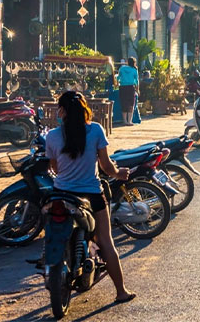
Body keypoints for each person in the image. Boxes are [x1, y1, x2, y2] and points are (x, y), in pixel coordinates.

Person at [45, 91, 136, 304]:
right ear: (85, 109)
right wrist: (119, 174)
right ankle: (121, 291)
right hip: (92, 195)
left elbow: (55, 169)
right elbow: (106, 166)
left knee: (51, 230)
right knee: (105, 241)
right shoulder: (95, 130)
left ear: (62, 111)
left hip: (61, 194)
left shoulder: (52, 136)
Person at [117, 57, 138, 127]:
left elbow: (118, 77)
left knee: (123, 103)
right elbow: (137, 81)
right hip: (131, 87)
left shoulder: (122, 68)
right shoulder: (134, 70)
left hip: (122, 88)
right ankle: (129, 121)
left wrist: (117, 84)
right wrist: (137, 90)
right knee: (131, 103)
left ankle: (124, 121)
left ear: (128, 62)